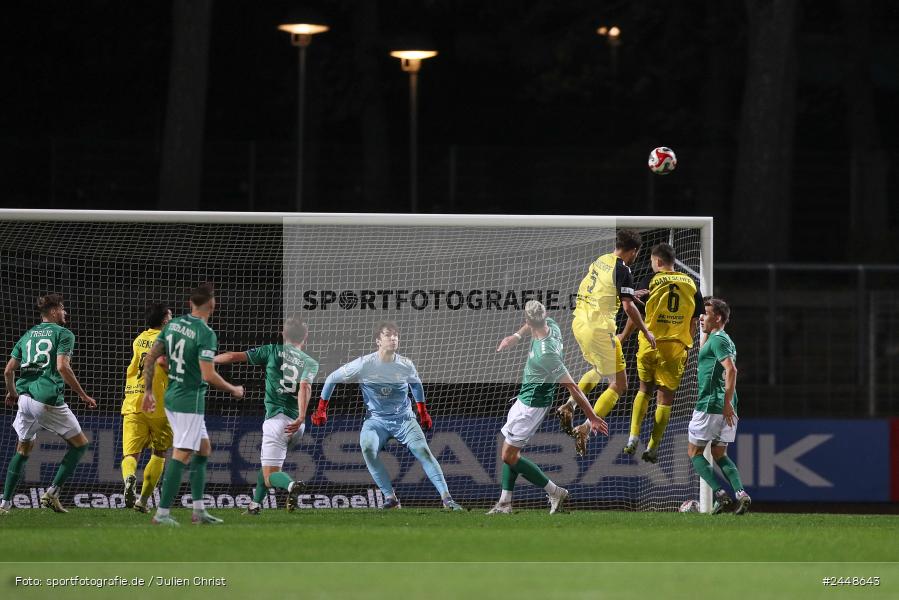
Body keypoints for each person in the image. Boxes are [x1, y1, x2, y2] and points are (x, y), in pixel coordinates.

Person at [311, 320, 463, 511]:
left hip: (404, 420)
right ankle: (391, 498)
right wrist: (321, 408)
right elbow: (332, 378)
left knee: (423, 451)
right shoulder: (364, 364)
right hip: (376, 421)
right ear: (378, 341)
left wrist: (423, 412)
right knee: (367, 449)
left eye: (395, 335)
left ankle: (447, 498)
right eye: (387, 335)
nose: (393, 338)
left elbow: (416, 385)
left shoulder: (406, 364)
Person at [141, 283, 244, 526]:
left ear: (190, 303)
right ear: (212, 304)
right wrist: (233, 389)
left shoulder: (173, 325)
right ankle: (162, 514)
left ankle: (199, 511)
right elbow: (207, 375)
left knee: (203, 448)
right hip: (189, 400)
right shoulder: (205, 333)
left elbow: (154, 358)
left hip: (173, 396)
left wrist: (148, 391)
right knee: (181, 453)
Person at [491, 301, 608, 514]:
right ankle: (505, 503)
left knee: (508, 455)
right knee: (510, 449)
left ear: (528, 319)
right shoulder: (551, 324)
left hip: (532, 405)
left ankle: (555, 491)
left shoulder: (547, 353)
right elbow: (529, 326)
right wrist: (516, 337)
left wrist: (591, 417)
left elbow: (575, 389)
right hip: (525, 398)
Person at [556, 229, 655, 456]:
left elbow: (609, 289)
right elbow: (629, 308)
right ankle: (586, 427)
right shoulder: (623, 269)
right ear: (634, 251)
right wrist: (646, 331)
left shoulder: (602, 260)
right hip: (600, 330)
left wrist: (629, 292)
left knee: (599, 370)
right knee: (619, 384)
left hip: (579, 324)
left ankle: (569, 405)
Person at [0, 294, 97, 515]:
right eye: (62, 308)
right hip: (46, 399)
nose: (65, 313)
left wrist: (13, 393)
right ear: (53, 311)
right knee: (80, 445)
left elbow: (8, 370)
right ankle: (52, 493)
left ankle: (4, 505)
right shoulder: (64, 334)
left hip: (24, 400)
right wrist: (82, 395)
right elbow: (62, 367)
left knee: (23, 448)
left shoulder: (27, 335)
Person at [214, 316, 316, 514]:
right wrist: (302, 416)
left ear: (283, 334)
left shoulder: (271, 350)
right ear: (306, 337)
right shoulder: (310, 362)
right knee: (268, 467)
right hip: (297, 426)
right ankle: (254, 506)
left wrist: (210, 360)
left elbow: (234, 357)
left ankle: (290, 486)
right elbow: (305, 387)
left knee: (271, 476)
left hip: (276, 423)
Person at [619, 243, 704, 463]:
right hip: (675, 348)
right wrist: (687, 344)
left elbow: (634, 313)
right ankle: (653, 447)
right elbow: (695, 320)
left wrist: (623, 336)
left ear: (657, 261)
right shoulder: (692, 284)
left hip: (651, 343)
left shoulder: (651, 281)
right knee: (665, 398)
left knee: (644, 389)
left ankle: (633, 436)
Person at [687, 298, 750, 515]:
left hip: (712, 404)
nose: (702, 317)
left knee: (694, 452)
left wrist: (725, 404)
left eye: (706, 313)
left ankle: (720, 494)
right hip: (727, 405)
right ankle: (741, 494)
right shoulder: (723, 340)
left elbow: (731, 370)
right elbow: (706, 347)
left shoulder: (718, 341)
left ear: (719, 317)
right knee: (719, 453)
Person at [121, 302, 173, 512]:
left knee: (130, 455)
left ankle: (129, 478)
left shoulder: (139, 339)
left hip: (134, 400)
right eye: (170, 317)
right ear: (164, 320)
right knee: (159, 452)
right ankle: (142, 501)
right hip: (159, 403)